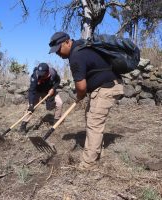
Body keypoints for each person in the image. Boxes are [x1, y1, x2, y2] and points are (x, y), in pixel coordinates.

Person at [49, 31, 124, 169]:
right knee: (90, 117)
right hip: (105, 86)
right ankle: (98, 152)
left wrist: (80, 95)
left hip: (107, 87)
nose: (57, 54)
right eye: (55, 51)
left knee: (94, 121)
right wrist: (82, 94)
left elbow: (81, 87)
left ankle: (88, 163)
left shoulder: (76, 56)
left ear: (67, 42)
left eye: (58, 49)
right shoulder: (80, 46)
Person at [20, 62, 63, 134]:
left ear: (47, 72)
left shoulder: (53, 73)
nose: (40, 75)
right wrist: (31, 104)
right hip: (37, 91)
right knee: (30, 107)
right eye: (40, 73)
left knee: (59, 103)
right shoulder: (35, 75)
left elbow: (58, 81)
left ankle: (56, 121)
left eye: (42, 74)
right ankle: (23, 125)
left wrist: (53, 88)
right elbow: (32, 91)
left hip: (49, 91)